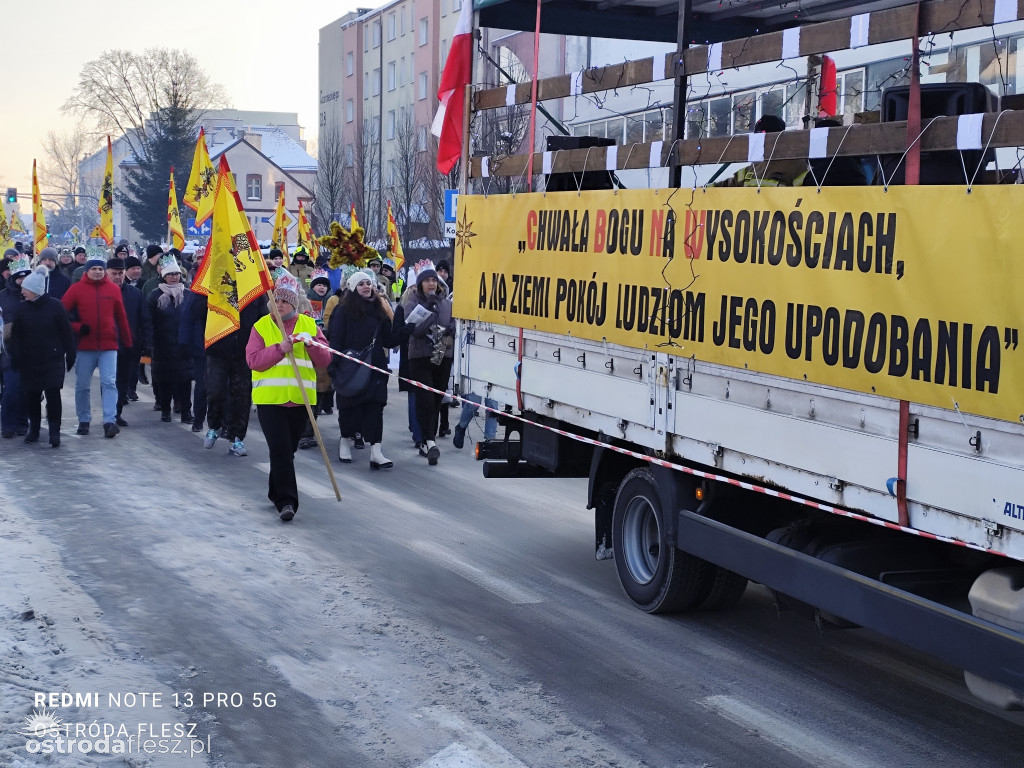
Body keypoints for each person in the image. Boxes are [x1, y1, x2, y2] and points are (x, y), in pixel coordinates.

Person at [245, 275, 331, 522]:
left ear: (295, 304)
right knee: (281, 450)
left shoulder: (309, 324)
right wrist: (280, 349)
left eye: (285, 301)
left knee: (286, 451)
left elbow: (325, 360)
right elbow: (253, 361)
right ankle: (287, 502)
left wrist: (313, 344)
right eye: (276, 300)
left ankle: (275, 491)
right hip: (270, 400)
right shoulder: (261, 326)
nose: (280, 304)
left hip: (300, 400)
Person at [328, 270, 407, 468]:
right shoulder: (343, 310)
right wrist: (334, 364)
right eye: (361, 284)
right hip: (350, 367)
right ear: (354, 288)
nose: (366, 286)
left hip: (376, 367)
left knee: (375, 408)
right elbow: (336, 338)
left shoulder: (379, 310)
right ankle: (344, 442)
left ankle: (376, 451)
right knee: (350, 408)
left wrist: (405, 330)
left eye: (368, 283)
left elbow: (388, 340)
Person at [61, 254, 133, 438]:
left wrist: (127, 341)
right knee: (83, 385)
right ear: (87, 271)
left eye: (101, 269)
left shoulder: (113, 290)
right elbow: (61, 315)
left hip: (109, 345)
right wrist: (77, 327)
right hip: (85, 346)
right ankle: (84, 419)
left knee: (109, 382)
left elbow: (121, 317)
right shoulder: (76, 290)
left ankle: (110, 420)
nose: (98, 272)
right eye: (94, 268)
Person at [8, 266, 76, 447]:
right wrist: (15, 356)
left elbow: (66, 333)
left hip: (52, 359)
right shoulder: (23, 309)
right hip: (30, 360)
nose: (22, 291)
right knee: (32, 396)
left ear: (36, 290)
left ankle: (55, 431)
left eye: (25, 289)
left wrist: (71, 354)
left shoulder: (56, 306)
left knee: (53, 395)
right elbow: (16, 335)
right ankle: (34, 429)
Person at [401, 260, 456, 465]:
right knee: (424, 397)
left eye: (434, 280)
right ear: (421, 283)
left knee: (436, 399)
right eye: (427, 281)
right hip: (420, 355)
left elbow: (453, 321)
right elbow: (414, 329)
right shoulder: (412, 302)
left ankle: (427, 439)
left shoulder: (446, 303)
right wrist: (427, 309)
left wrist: (450, 328)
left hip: (441, 353)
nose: (431, 284)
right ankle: (429, 441)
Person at [202, 298, 264, 457]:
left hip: (244, 352)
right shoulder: (214, 286)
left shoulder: (253, 290)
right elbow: (196, 312)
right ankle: (214, 425)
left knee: (242, 397)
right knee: (215, 392)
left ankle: (236, 438)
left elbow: (263, 317)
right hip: (217, 350)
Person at [106, 256, 151, 427]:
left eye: (120, 273)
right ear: (107, 274)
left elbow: (144, 319)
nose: (117, 276)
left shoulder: (135, 294)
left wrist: (146, 342)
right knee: (109, 382)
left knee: (123, 381)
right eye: (114, 273)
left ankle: (116, 413)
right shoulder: (101, 291)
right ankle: (108, 415)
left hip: (128, 345)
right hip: (106, 346)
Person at [147, 254, 192, 423]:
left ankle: (186, 411)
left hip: (183, 345)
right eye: (170, 274)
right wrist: (150, 342)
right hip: (163, 345)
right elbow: (149, 320)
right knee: (164, 380)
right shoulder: (155, 296)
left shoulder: (188, 295)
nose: (174, 277)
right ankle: (165, 410)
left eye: (176, 274)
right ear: (163, 276)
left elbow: (194, 318)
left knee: (185, 381)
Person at [716, 114, 807, 188]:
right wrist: (703, 190)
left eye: (763, 136)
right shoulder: (755, 166)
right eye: (757, 137)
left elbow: (805, 197)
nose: (759, 141)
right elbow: (730, 184)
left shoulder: (795, 165)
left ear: (777, 138)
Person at [0, 254, 32, 437]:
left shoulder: (34, 296)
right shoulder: (3, 297)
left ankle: (22, 422)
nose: (22, 280)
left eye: (26, 276)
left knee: (26, 389)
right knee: (10, 389)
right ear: (12, 277)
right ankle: (8, 424)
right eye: (19, 276)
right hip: (9, 350)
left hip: (30, 349)